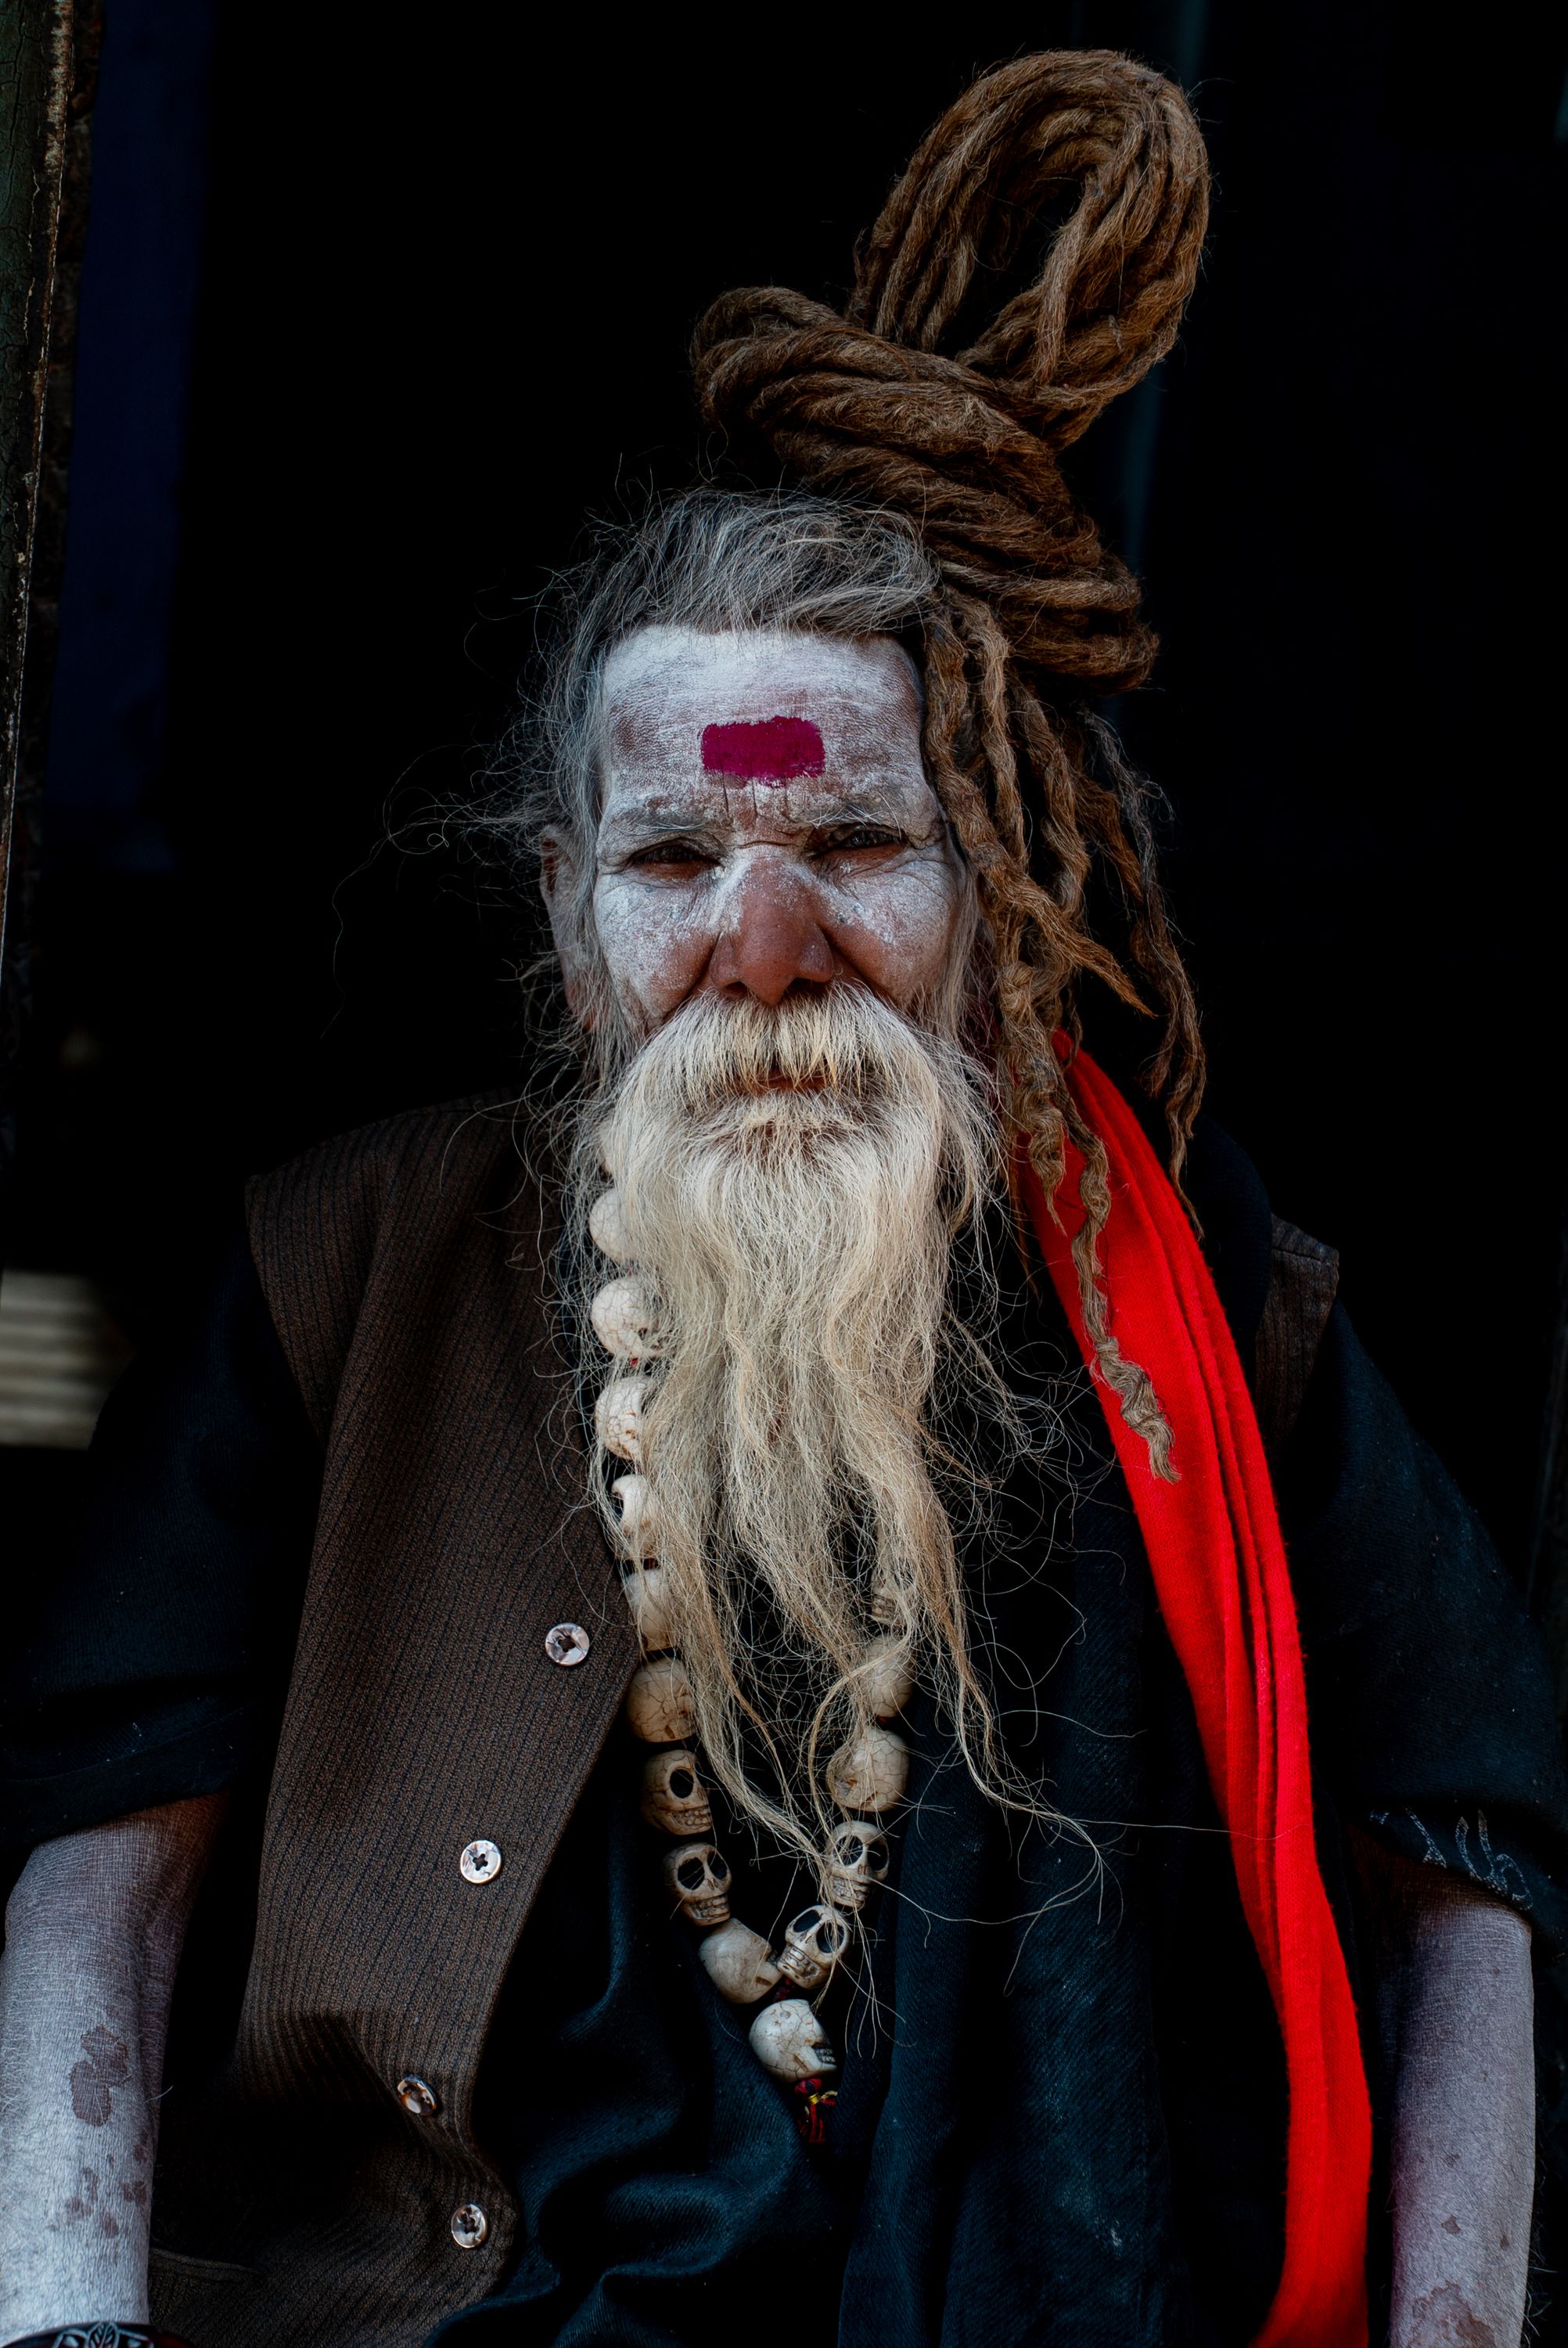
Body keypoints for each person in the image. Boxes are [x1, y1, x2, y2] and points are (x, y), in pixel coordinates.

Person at [2, 50, 1563, 2348]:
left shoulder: (1198, 1301)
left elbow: (1468, 1860)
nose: (761, 942)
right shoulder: (344, 1268)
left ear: (987, 893)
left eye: (850, 847)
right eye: (667, 862)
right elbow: (100, 1839)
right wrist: (69, 2329)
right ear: (559, 917)